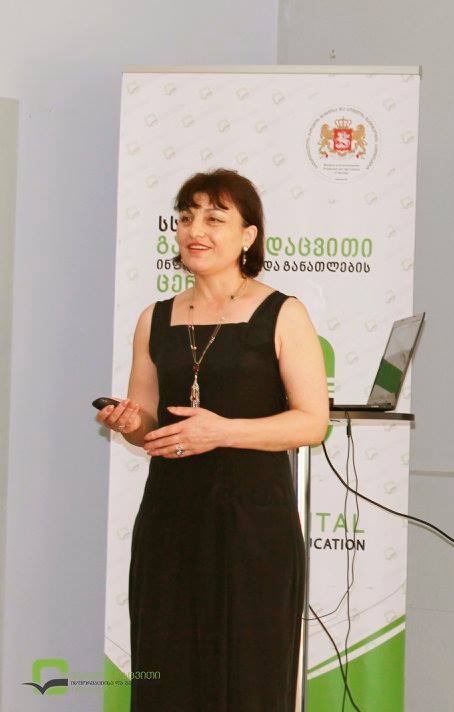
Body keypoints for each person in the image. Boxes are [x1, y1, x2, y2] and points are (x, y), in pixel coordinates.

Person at [94, 168, 329, 710]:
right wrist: (131, 424)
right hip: (170, 521)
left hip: (254, 525)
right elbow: (149, 424)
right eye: (186, 217)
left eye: (214, 218)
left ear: (248, 235)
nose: (195, 230)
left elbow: (311, 422)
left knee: (249, 679)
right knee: (167, 676)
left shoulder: (283, 313)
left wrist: (220, 431)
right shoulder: (153, 318)